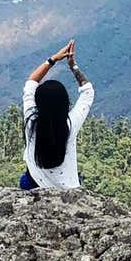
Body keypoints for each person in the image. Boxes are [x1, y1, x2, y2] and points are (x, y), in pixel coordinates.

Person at [19, 39, 94, 190]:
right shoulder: (70, 125)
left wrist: (53, 59)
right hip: (68, 190)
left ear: (38, 103)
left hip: (34, 185)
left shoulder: (31, 121)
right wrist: (73, 65)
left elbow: (31, 83)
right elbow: (88, 91)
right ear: (65, 103)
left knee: (24, 180)